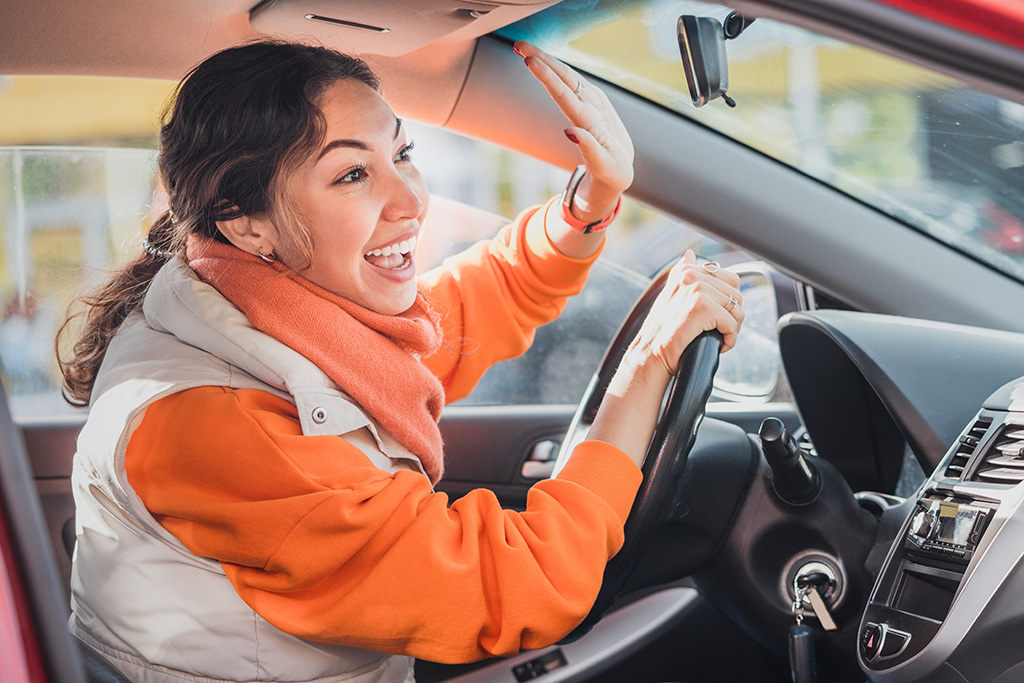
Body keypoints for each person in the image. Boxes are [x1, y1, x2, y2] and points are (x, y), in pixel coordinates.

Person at [58, 39, 744, 683]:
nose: (413, 200)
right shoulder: (222, 422)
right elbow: (519, 584)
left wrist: (584, 208)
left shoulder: (259, 304)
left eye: (403, 153)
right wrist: (645, 369)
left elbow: (460, 314)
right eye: (353, 173)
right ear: (246, 222)